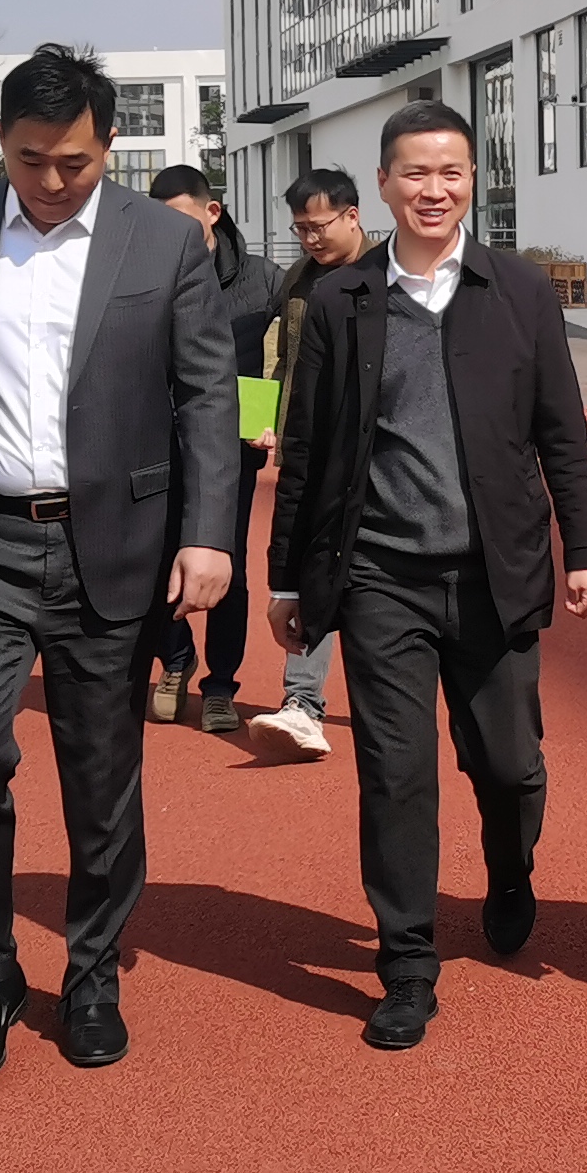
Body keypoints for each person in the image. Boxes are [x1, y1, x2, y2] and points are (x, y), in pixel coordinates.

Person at [0, 45, 243, 1098]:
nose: (52, 180)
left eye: (74, 161)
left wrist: (209, 534)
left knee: (102, 778)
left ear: (109, 145)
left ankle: (91, 975)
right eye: (31, 160)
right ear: (1, 144)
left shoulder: (165, 241)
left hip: (112, 538)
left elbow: (208, 395)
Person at [266, 100, 587, 1049]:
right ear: (382, 185)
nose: (433, 189)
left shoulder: (519, 291)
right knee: (396, 771)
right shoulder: (341, 301)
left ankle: (509, 867)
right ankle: (407, 963)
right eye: (414, 172)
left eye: (450, 171)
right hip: (382, 577)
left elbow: (562, 431)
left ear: (473, 181)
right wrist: (288, 579)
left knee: (509, 766)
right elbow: (307, 448)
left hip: (496, 573)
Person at [144, 164, 284, 734]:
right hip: (155, 445)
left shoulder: (264, 279)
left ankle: (222, 685)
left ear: (212, 212)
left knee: (230, 566)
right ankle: (175, 662)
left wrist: (276, 415)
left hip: (231, 448)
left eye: (181, 220)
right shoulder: (145, 272)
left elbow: (305, 343)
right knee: (156, 561)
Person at [243, 165, 367, 761]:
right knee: (310, 567)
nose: (311, 238)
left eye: (320, 226)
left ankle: (387, 698)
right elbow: (280, 356)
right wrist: (262, 417)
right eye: (301, 229)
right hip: (305, 446)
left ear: (353, 216)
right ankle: (302, 702)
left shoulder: (386, 274)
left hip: (368, 451)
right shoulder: (297, 279)